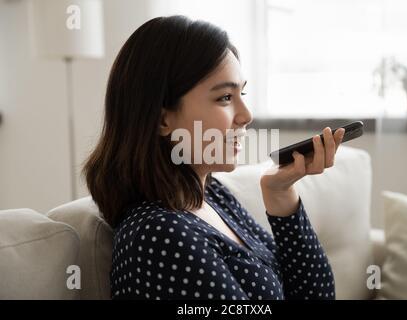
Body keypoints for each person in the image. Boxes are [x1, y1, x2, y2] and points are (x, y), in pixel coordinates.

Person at [83, 15, 345, 300]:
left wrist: (281, 194)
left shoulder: (212, 194)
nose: (246, 115)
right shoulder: (158, 235)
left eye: (242, 93)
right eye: (225, 98)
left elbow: (315, 295)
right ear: (161, 120)